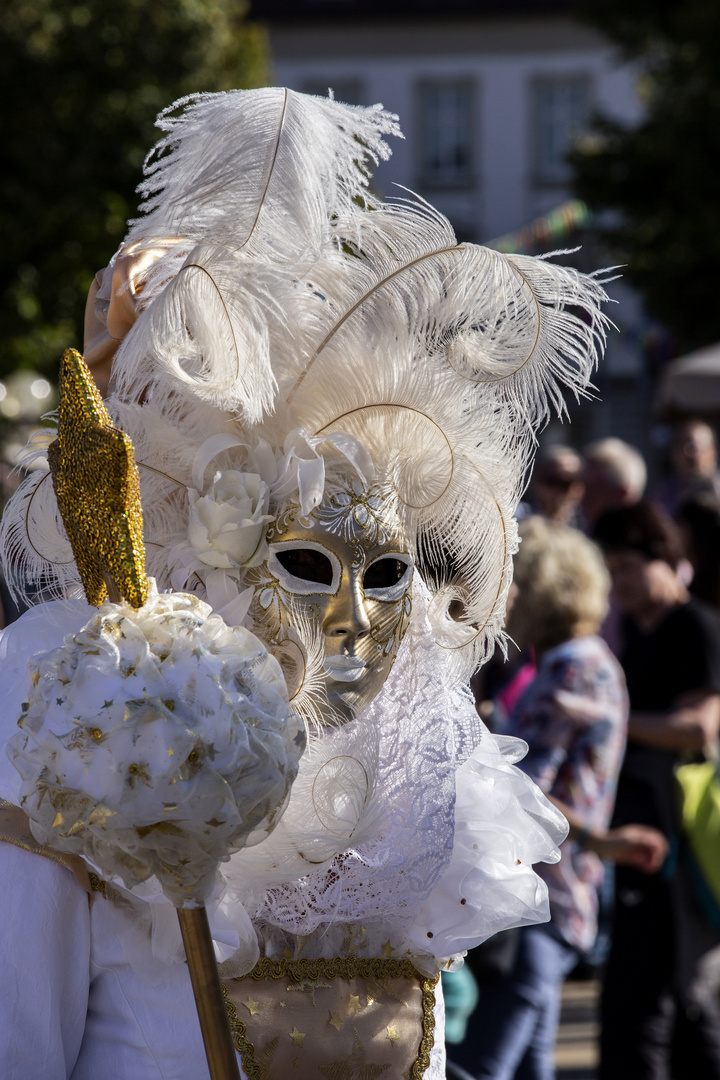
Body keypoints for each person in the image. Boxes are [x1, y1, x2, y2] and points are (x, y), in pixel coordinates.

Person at [0, 88, 610, 1079]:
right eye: (306, 566)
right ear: (219, 566)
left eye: (387, 576)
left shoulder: (415, 806)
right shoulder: (86, 742)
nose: (353, 620)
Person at [449, 516, 666, 1080]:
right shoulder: (585, 661)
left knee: (485, 1063)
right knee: (530, 1059)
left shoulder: (570, 667)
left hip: (545, 886)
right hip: (561, 884)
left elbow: (529, 790)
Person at [593, 500, 720, 1080]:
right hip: (642, 831)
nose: (617, 584)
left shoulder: (697, 626)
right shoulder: (634, 638)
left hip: (683, 833)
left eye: (624, 567)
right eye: (608, 571)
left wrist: (610, 717)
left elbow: (697, 727)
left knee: (668, 991)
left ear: (662, 557)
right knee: (645, 993)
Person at [653, 418, 720, 516]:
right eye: (680, 445)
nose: (686, 452)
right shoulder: (663, 495)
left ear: (712, 452)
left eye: (693, 447)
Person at [581, 437, 647, 531]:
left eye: (593, 489)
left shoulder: (647, 541)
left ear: (624, 495)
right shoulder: (574, 535)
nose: (581, 496)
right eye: (580, 486)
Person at [530, 444, 584, 526]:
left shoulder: (590, 526)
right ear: (537, 483)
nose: (557, 490)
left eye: (566, 483)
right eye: (552, 481)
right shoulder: (514, 521)